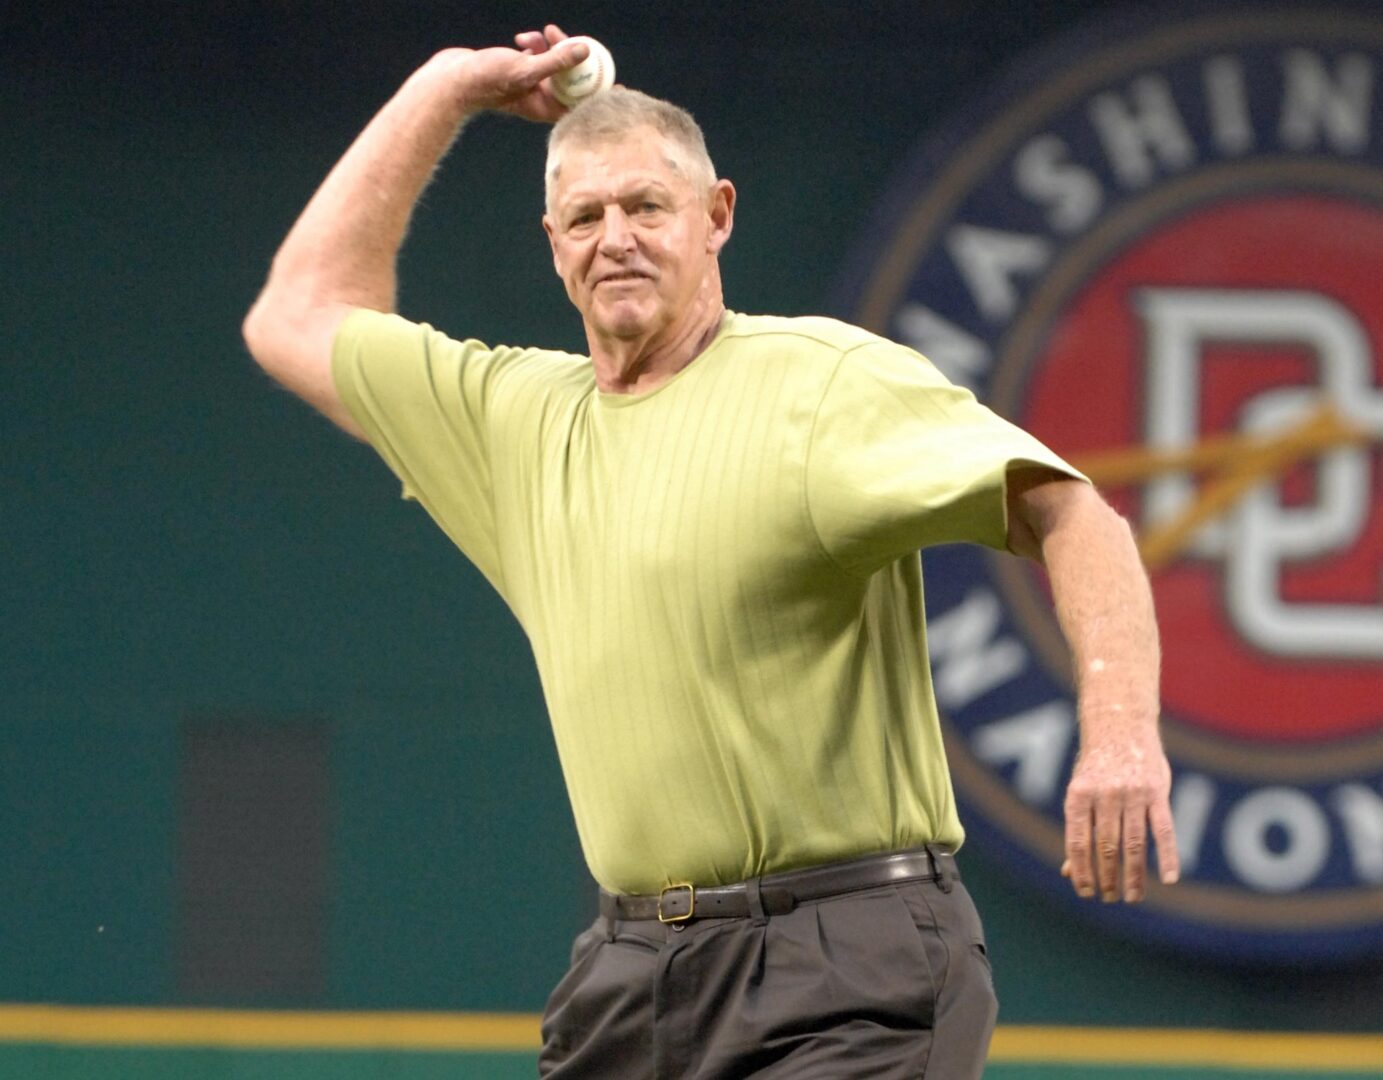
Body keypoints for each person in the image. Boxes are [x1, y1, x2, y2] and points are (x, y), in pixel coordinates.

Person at [243, 23, 1179, 1079]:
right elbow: (296, 313)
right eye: (586, 217)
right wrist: (446, 90)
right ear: (551, 241)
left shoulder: (822, 384)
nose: (617, 239)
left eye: (647, 206)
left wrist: (1118, 734)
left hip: (848, 956)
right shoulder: (509, 420)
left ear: (716, 217)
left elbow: (1073, 512)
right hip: (632, 970)